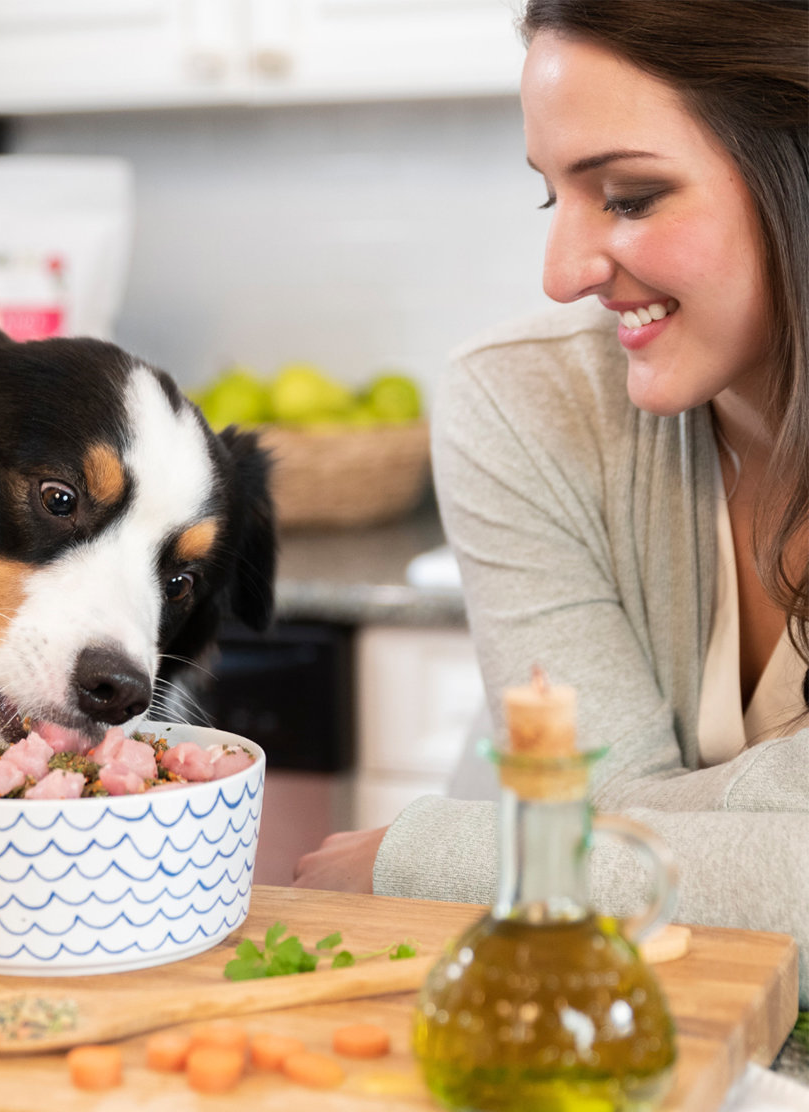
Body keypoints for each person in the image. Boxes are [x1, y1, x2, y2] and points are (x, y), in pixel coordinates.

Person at [292, 0, 809, 1004]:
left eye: (629, 196)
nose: (563, 273)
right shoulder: (526, 401)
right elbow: (602, 808)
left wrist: (438, 853)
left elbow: (589, 845)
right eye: (552, 199)